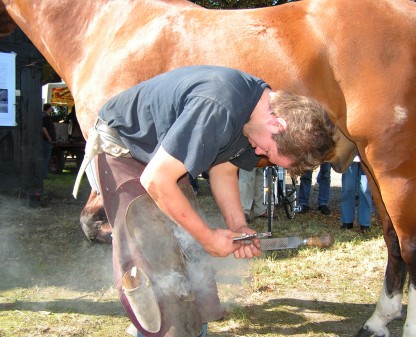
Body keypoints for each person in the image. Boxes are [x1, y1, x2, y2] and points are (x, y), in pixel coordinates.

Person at [74, 65, 336, 337]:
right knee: (160, 274)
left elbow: (223, 168)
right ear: (277, 124)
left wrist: (238, 228)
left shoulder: (254, 112)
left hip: (160, 160)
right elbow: (156, 180)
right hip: (125, 151)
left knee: (195, 268)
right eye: (267, 149)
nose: (258, 152)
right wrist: (208, 238)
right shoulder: (218, 106)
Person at [340, 156, 373, 232]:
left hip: (366, 160)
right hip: (349, 159)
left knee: (365, 191)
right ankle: (347, 221)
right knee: (348, 188)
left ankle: (365, 223)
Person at [42, 103, 56, 179]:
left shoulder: (41, 116)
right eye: (51, 108)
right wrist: (49, 138)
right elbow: (43, 128)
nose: (51, 109)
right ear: (49, 108)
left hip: (42, 139)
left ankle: (43, 173)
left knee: (44, 157)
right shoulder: (45, 117)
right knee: (46, 157)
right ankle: (44, 174)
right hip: (45, 140)